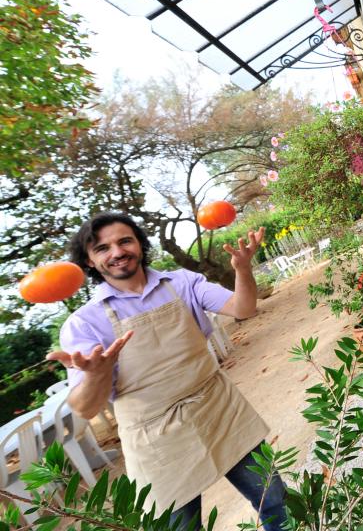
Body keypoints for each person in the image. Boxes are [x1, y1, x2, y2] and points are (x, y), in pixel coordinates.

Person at [47, 212, 287, 531]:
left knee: (276, 501)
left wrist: (242, 269)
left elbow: (243, 309)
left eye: (124, 241)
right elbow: (86, 408)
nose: (117, 252)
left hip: (219, 409)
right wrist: (96, 374)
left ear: (140, 245)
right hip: (155, 440)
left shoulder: (182, 283)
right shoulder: (83, 323)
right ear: (90, 261)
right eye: (102, 248)